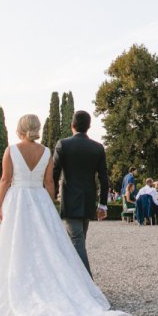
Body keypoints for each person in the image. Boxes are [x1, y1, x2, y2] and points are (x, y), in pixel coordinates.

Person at [0, 113, 132, 316]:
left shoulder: (11, 150)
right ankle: (74, 285)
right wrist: (47, 204)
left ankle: (17, 288)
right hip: (39, 198)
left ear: (20, 128)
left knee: (14, 245)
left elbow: (6, 180)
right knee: (47, 246)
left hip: (17, 200)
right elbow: (49, 182)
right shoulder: (46, 151)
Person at [51, 110, 111, 277]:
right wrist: (103, 203)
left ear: (72, 125)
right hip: (89, 199)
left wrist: (51, 195)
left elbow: (54, 173)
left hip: (70, 200)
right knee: (79, 240)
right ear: (89, 126)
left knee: (77, 241)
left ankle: (86, 283)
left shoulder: (63, 144)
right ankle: (74, 281)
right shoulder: (98, 148)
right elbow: (104, 178)